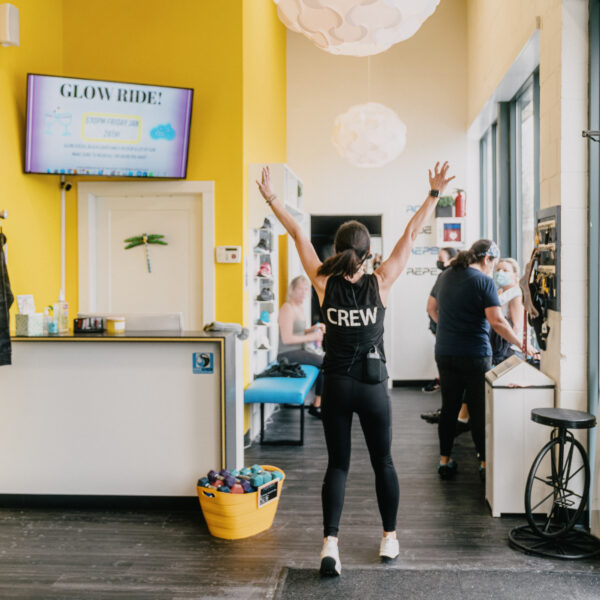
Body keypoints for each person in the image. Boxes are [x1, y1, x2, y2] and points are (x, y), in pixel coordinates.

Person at [257, 161, 456, 577]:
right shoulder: (381, 281)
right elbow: (410, 234)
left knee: (338, 465)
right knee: (383, 462)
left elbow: (295, 230)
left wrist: (273, 197)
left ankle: (330, 545)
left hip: (336, 384)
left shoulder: (322, 281)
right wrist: (434, 195)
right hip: (373, 386)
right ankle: (389, 539)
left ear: (334, 249)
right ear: (368, 254)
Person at [432, 240, 534, 483]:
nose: (495, 270)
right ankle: (484, 464)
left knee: (449, 408)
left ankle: (444, 462)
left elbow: (431, 309)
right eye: (494, 264)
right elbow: (498, 322)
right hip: (475, 354)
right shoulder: (483, 281)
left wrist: (449, 328)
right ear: (487, 258)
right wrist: (523, 345)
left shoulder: (446, 275)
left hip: (445, 351)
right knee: (478, 409)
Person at [421, 246, 470, 436]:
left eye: (441, 258)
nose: (439, 262)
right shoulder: (444, 278)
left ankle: (460, 415)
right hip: (448, 338)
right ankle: (455, 414)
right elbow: (431, 308)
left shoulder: (452, 278)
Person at [278, 275, 325, 418]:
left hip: (299, 350)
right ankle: (317, 405)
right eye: (300, 288)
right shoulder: (287, 308)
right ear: (292, 289)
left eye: (306, 289)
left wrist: (313, 328)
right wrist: (312, 336)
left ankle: (320, 402)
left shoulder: (300, 308)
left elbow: (298, 331)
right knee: (324, 362)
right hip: (287, 353)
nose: (304, 292)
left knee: (326, 360)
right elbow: (287, 338)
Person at [490, 258, 525, 365]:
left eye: (505, 271)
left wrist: (504, 346)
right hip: (499, 347)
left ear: (515, 274)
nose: (500, 273)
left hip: (510, 349)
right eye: (498, 269)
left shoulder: (516, 294)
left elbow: (516, 326)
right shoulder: (499, 292)